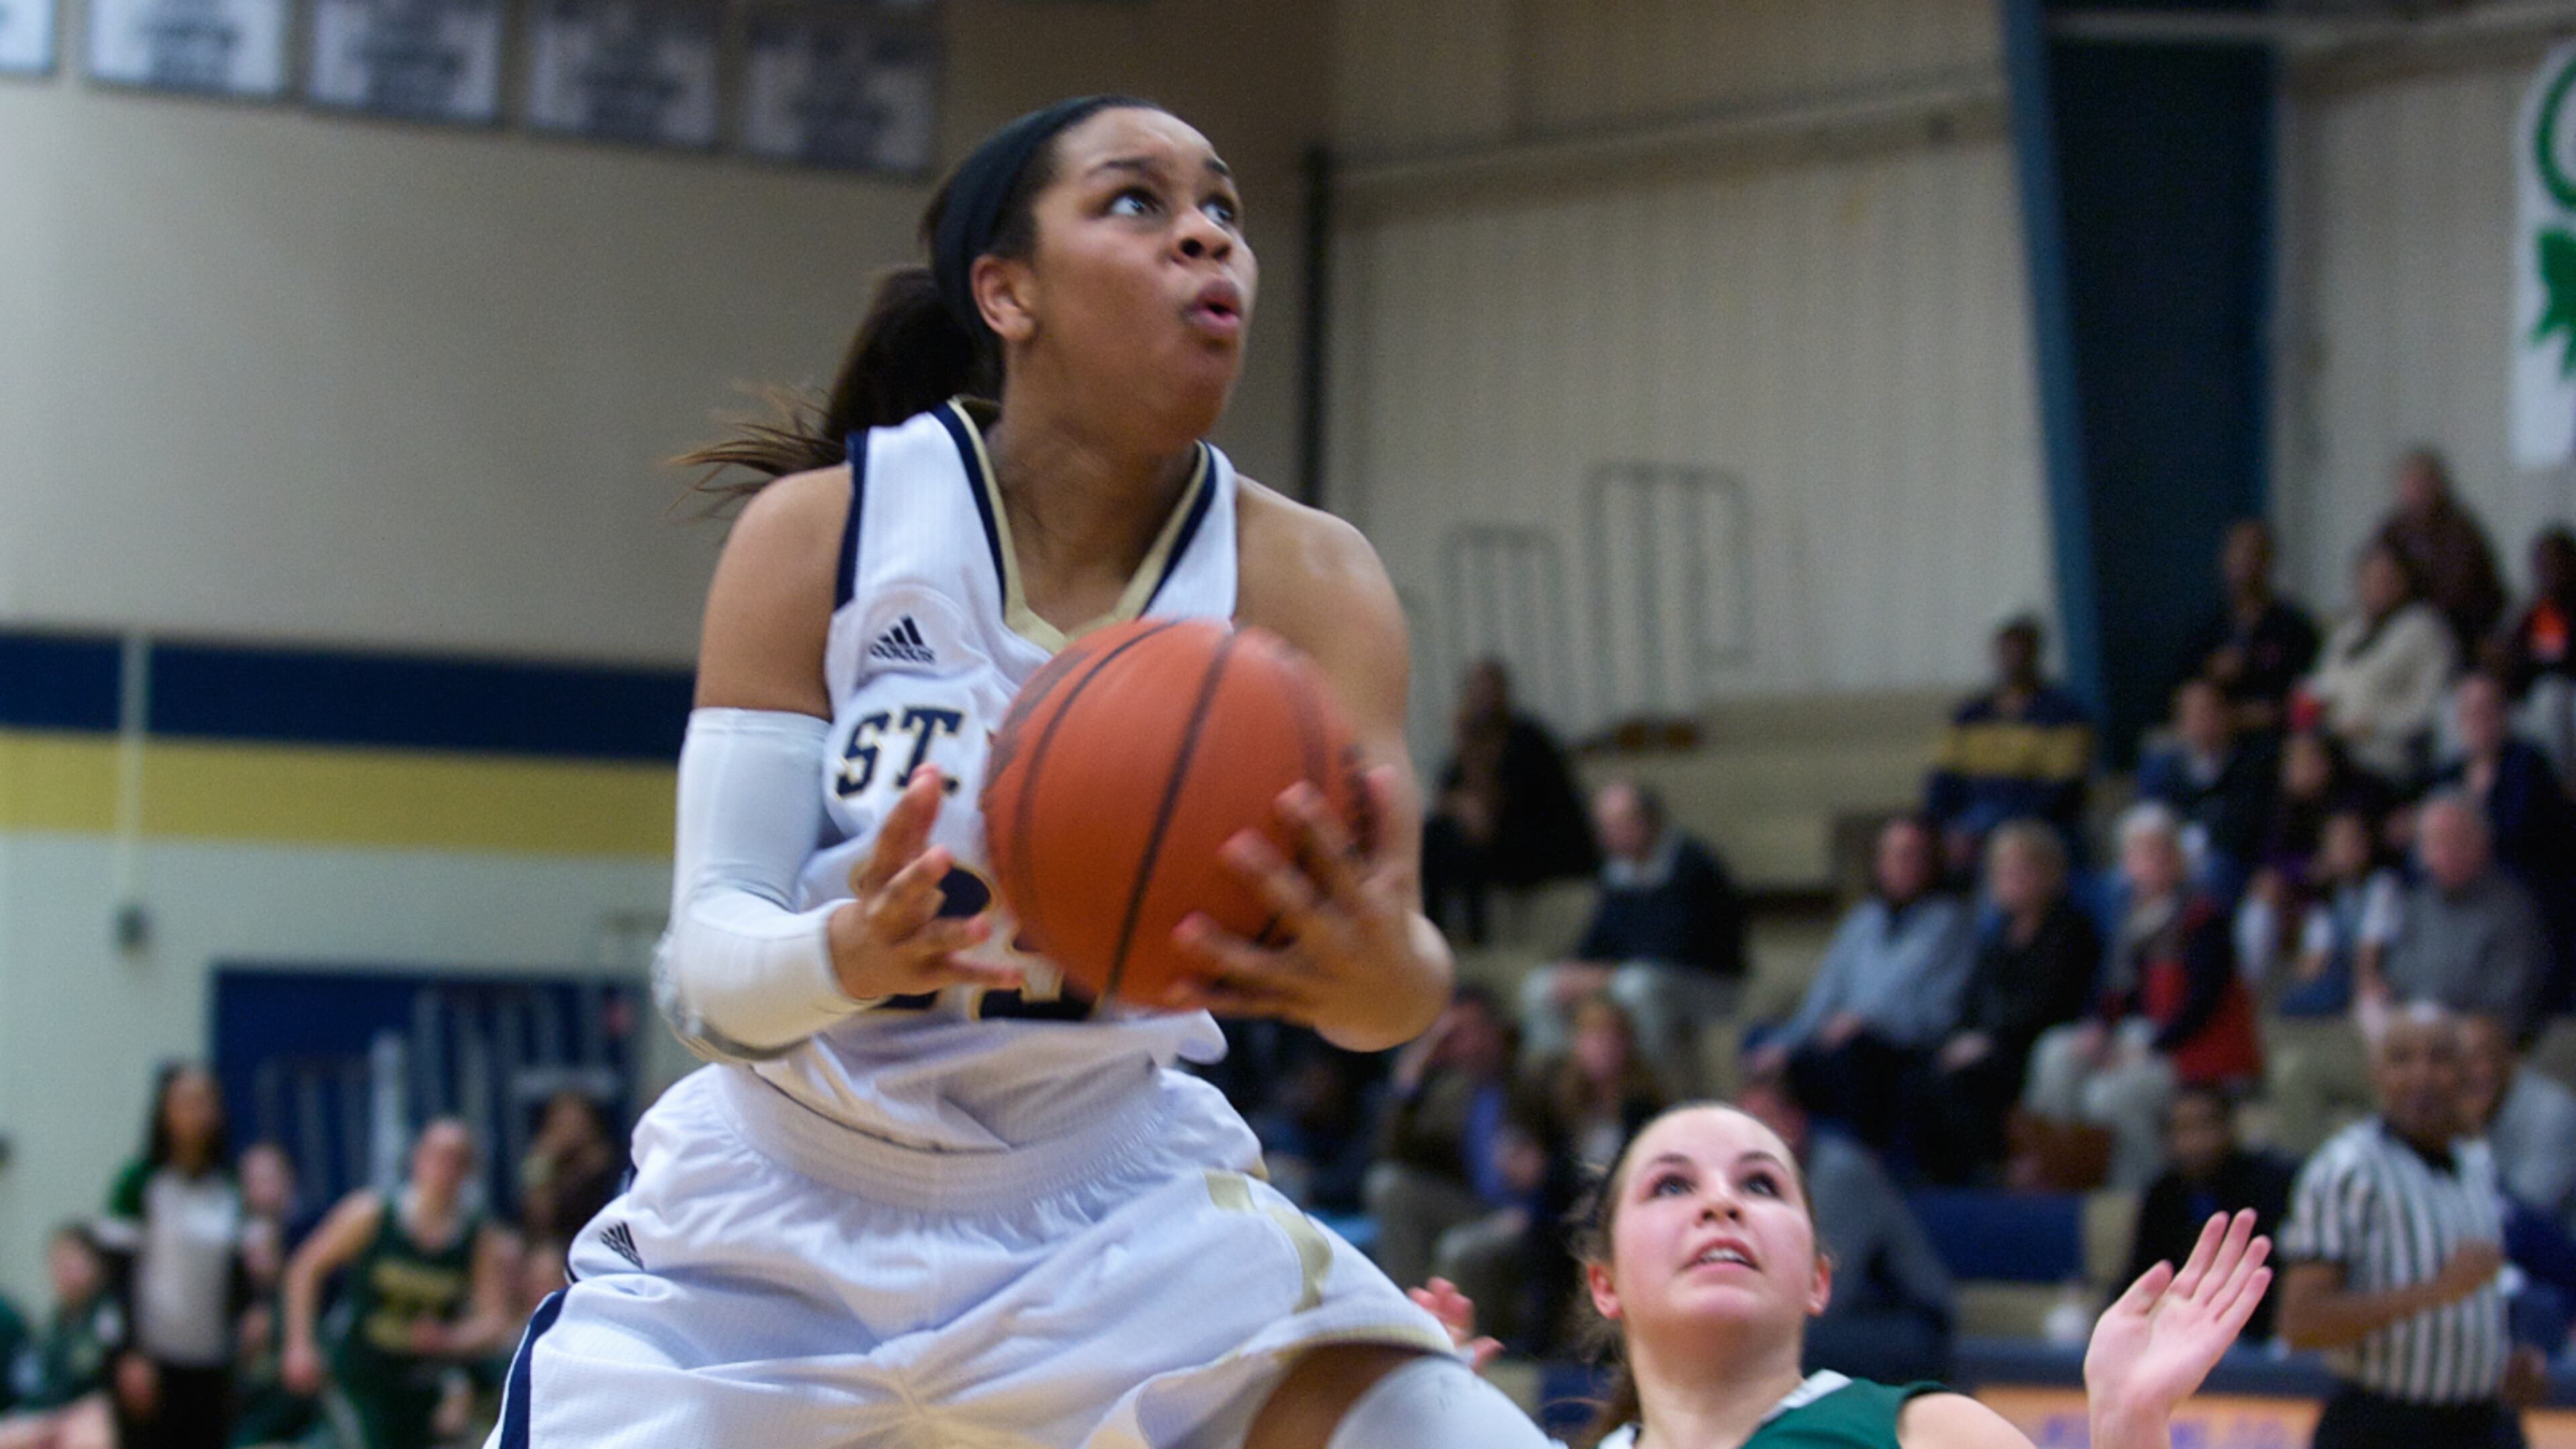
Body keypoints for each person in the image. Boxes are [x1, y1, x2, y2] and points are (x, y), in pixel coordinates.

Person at [559, 93, 1548, 1449]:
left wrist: (1376, 979)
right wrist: (850, 951)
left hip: (1116, 1213)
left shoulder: (1308, 580)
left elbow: (1401, 985)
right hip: (774, 1223)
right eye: (1138, 202)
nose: (1206, 236)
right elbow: (709, 978)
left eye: (1224, 211)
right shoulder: (824, 539)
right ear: (1006, 293)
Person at [1419, 1103, 2273, 1449]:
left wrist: (2127, 1424)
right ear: (1603, 1284)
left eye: (1760, 1184)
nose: (1722, 1205)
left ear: (1818, 1280)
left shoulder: (1925, 1430)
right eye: (1672, 1185)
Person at [2276, 1004, 2549, 1447]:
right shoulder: (2346, 1169)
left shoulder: (2475, 1164)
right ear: (2376, 1074)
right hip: (2384, 1425)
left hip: (2480, 1422)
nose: (2422, 1075)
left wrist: (2502, 1360)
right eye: (2402, 1059)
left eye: (2440, 1058)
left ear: (2464, 1073)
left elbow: (2480, 1292)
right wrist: (2435, 1292)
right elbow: (2301, 1322)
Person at [2022, 805, 2261, 1189]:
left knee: (2109, 1097)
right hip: (2136, 1036)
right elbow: (2112, 993)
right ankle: (2064, 1170)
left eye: (2159, 852)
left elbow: (2202, 1003)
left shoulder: (2202, 918)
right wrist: (2099, 1029)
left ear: (2177, 859)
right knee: (2056, 1053)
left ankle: (2143, 1192)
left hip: (2191, 1051)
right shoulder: (2124, 919)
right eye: (2138, 853)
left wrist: (2148, 1047)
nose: (2149, 863)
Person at [1743, 817, 1976, 1157]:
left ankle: (1865, 1163)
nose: (1901, 866)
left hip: (1906, 1045)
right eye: (1892, 855)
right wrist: (1787, 1044)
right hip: (1842, 1040)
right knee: (1766, 1050)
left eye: (1911, 855)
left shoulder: (1951, 922)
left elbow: (1944, 1007)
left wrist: (1868, 1021)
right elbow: (1825, 995)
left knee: (1856, 1052)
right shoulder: (1863, 920)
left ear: (1931, 861)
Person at [284, 1120, 513, 1449]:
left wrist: (450, 1339)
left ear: (468, 1172)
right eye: (437, 1155)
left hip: (420, 1384)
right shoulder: (372, 1213)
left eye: (456, 1160)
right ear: (418, 1159)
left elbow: (495, 1321)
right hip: (359, 1374)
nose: (444, 1168)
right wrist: (299, 1344)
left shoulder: (476, 1237)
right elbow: (305, 1268)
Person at [1520, 781, 1748, 1092]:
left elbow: (1679, 947)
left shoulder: (1692, 865)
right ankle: (1564, 1093)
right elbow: (1600, 938)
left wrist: (1604, 975)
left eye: (1617, 825)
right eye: (1604, 827)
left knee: (1637, 987)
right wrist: (1575, 970)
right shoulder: (1618, 870)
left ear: (1646, 822)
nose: (1607, 836)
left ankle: (1643, 1092)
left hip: (1705, 982)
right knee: (1542, 986)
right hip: (1632, 971)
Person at [1916, 821, 2100, 1184]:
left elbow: (2052, 1004)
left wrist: (1988, 1039)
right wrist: (1960, 1037)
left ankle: (1991, 1171)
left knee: (1973, 1077)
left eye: (2020, 869)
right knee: (1925, 1072)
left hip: (2033, 1045)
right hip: (1991, 1042)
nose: (2008, 879)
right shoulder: (1997, 935)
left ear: (2049, 873)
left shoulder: (2070, 931)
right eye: (2001, 870)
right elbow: (1971, 1000)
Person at [1737, 1082, 1955, 1385]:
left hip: (1907, 1324)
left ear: (1794, 1121)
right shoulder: (1768, 1185)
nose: (1752, 1141)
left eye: (1764, 1123)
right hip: (1848, 1320)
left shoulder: (1838, 1173)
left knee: (1770, 1349)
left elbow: (1831, 1292)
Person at [1364, 989, 1540, 1320]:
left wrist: (1537, 1195)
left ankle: (1452, 1341)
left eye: (1476, 1030)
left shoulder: (1533, 1077)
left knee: (1457, 1248)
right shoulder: (1454, 1092)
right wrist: (1412, 1075)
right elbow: (1394, 1152)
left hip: (1529, 1214)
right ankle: (1408, 1320)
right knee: (1387, 1184)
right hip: (1476, 1208)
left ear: (1498, 1030)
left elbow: (1565, 1153)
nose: (1469, 1045)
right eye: (1457, 1036)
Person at [97, 1063, 241, 1449]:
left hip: (209, 1359)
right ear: (164, 1111)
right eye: (187, 1102)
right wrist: (130, 1353)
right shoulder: (139, 1181)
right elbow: (116, 1274)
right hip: (149, 1358)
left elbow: (240, 1274)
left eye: (207, 1101)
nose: (199, 1113)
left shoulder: (229, 1187)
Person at [1421, 659, 1598, 945]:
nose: (1483, 700)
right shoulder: (1471, 739)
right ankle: (1434, 933)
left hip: (1541, 845)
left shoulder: (1528, 739)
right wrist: (1462, 803)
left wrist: (1471, 765)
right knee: (1433, 834)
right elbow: (1446, 795)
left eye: (1489, 691)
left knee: (1461, 841)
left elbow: (1502, 806)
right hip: (1494, 841)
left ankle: (1475, 937)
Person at [2434, 671, 2576, 1016]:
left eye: (2487, 711)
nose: (2478, 721)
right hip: (2463, 891)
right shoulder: (2449, 773)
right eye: (2470, 712)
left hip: (2524, 888)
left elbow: (2527, 833)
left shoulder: (2528, 764)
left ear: (2504, 716)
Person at [2122, 1087, 2293, 1344]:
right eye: (2183, 1129)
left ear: (2228, 1128)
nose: (2195, 1141)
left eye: (2205, 1125)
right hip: (2176, 1335)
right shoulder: (2161, 1194)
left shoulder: (2268, 1184)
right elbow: (2142, 1272)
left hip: (2257, 1334)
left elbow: (2277, 1275)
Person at [2374, 794, 2548, 1039]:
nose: (2447, 852)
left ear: (2483, 843)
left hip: (2484, 1050)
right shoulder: (2417, 904)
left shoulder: (2512, 910)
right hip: (2418, 1041)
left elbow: (2509, 1006)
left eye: (2458, 840)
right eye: (2436, 842)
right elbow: (2398, 977)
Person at [1924, 615, 2093, 865]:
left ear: (2035, 653)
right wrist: (1951, 825)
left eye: (2022, 650)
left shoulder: (2064, 714)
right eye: (2008, 650)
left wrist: (2003, 824)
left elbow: (2063, 790)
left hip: (2040, 824)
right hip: (1971, 823)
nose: (2014, 659)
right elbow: (1943, 779)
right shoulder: (1970, 714)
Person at [2301, 539, 2459, 788]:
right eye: (2371, 577)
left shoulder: (2423, 628)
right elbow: (2321, 684)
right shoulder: (2351, 630)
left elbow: (2433, 705)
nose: (2379, 585)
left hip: (2386, 757)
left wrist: (2374, 725)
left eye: (2388, 577)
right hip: (2332, 748)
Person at [2135, 679, 2276, 902]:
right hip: (2170, 859)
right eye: (2192, 714)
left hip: (2233, 862)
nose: (2201, 721)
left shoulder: (2253, 765)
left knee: (2214, 870)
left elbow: (2247, 828)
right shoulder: (2162, 769)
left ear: (2227, 715)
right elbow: (2149, 819)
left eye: (2208, 711)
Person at [2177, 519, 2320, 734]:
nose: (2245, 561)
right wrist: (2211, 671)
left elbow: (2310, 692)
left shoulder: (2295, 627)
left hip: (2270, 737)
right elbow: (2178, 686)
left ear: (2269, 561)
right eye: (2238, 552)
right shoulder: (2207, 625)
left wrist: (2270, 712)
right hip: (2212, 737)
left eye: (2254, 552)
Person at [2373, 447, 2507, 657]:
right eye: (2409, 483)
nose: (2415, 491)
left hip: (2455, 629)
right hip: (2400, 626)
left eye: (2422, 483)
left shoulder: (2461, 531)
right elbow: (2375, 573)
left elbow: (2465, 590)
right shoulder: (2393, 529)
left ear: (2438, 485)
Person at [0, 1226, 125, 1449]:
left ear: (97, 1263)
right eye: (59, 1261)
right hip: (49, 1414)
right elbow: (39, 1384)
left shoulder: (111, 1316)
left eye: (74, 1259)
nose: (66, 1269)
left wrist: (58, 1421)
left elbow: (109, 1387)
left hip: (93, 1415)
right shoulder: (57, 1322)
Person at [227, 1144, 315, 1449]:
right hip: (249, 1406)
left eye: (270, 1178)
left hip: (304, 1401)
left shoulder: (314, 1244)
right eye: (252, 1180)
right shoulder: (226, 1262)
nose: (261, 1189)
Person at [2459, 1013, 2576, 1234]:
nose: (2470, 1072)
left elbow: (2522, 1219)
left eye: (2480, 1057)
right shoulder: (2452, 1109)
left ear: (2510, 1059)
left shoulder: (2552, 1112)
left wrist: (2472, 1138)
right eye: (2460, 1060)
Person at [1543, 996, 1669, 1175]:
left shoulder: (1645, 1105)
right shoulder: (1561, 1100)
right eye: (1592, 1038)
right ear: (1576, 1044)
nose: (1602, 1048)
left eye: (1611, 1037)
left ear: (1627, 1044)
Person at [2499, 524, 2576, 775]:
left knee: (2550, 697)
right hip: (2530, 696)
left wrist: (2537, 661)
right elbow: (2516, 661)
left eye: (2555, 563)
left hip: (2565, 699)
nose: (2548, 572)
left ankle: (2561, 781)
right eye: (2542, 564)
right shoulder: (2533, 612)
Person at [515, 1092, 619, 1244]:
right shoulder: (545, 1162)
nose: (569, 1130)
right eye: (561, 1122)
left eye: (575, 1122)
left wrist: (581, 1172)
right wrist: (542, 1158)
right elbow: (538, 1219)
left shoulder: (605, 1167)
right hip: (552, 1249)